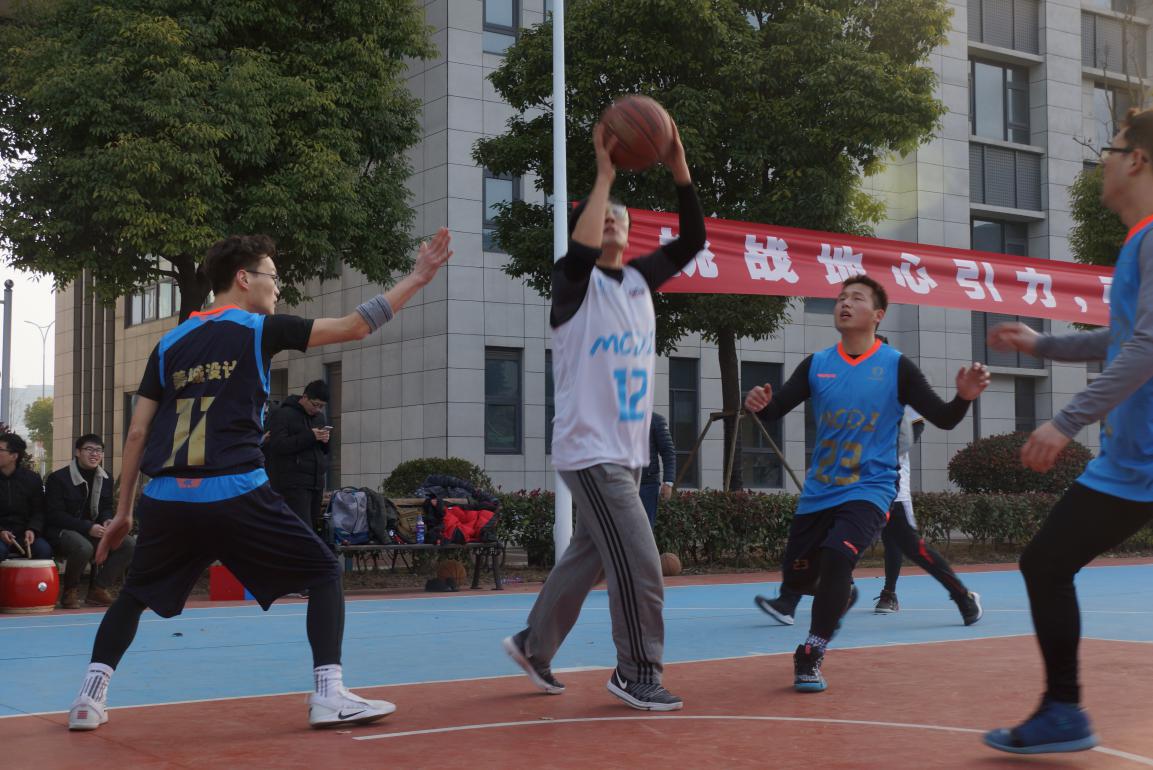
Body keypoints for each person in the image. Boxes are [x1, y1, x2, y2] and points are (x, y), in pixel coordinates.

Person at [66, 228, 451, 731]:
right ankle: (328, 694)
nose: (278, 286)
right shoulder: (257, 330)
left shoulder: (168, 343)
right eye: (272, 276)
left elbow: (138, 432)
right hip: (235, 492)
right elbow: (356, 326)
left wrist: (123, 512)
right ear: (243, 278)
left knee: (135, 594)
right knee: (324, 571)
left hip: (167, 497)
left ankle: (87, 699)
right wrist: (418, 278)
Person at [502, 120, 705, 711]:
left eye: (621, 215)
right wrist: (604, 175)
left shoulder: (640, 280)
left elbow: (693, 239)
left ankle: (533, 644)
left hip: (627, 453)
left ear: (634, 231)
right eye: (602, 215)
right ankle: (636, 672)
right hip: (590, 450)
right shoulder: (573, 286)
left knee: (589, 553)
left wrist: (678, 165)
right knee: (641, 563)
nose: (612, 218)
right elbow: (581, 252)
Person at [983, 109, 1153, 755]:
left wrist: (1064, 420)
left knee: (1045, 564)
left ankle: (1063, 711)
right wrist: (1043, 344)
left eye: (1110, 149)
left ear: (1136, 159)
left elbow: (1146, 346)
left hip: (1139, 463)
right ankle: (1062, 712)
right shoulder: (1138, 242)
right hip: (1132, 463)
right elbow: (1124, 337)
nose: (1101, 161)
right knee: (1046, 564)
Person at [747, 276, 989, 692]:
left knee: (839, 558)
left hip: (872, 487)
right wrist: (760, 405)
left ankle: (811, 652)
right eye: (841, 297)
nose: (844, 303)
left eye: (856, 298)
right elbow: (775, 410)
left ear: (878, 315)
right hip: (820, 490)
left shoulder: (896, 366)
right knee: (798, 578)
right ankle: (837, 595)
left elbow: (944, 418)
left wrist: (964, 397)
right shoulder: (816, 364)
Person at [871, 338, 982, 625]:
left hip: (890, 478)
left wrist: (963, 397)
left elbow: (922, 428)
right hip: (851, 478)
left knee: (903, 541)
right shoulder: (845, 382)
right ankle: (792, 598)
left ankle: (893, 592)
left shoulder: (902, 386)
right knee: (831, 532)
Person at [45, 435, 135, 609]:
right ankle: (70, 591)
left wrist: (107, 520)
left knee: (128, 544)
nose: (95, 454)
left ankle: (98, 590)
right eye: (89, 449)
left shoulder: (106, 478)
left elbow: (106, 507)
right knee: (83, 547)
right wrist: (88, 527)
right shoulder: (58, 478)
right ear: (78, 452)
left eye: (99, 450)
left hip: (92, 529)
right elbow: (54, 515)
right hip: (61, 530)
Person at [266, 380, 331, 531]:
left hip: (316, 482)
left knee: (311, 528)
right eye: (315, 404)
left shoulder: (319, 418)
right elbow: (278, 445)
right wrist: (310, 436)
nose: (317, 409)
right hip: (293, 483)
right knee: (302, 529)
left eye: (322, 406)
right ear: (305, 397)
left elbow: (324, 451)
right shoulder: (283, 414)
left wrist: (325, 441)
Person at [0, 433, 50, 561]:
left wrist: (32, 529)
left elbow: (39, 511)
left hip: (24, 534)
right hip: (1, 535)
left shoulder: (32, 479)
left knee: (43, 550)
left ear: (14, 456)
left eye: (0, 449)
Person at [639, 412, 676, 527]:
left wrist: (668, 482)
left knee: (645, 527)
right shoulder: (618, 419)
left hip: (647, 484)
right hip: (622, 482)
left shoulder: (655, 420)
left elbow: (668, 451)